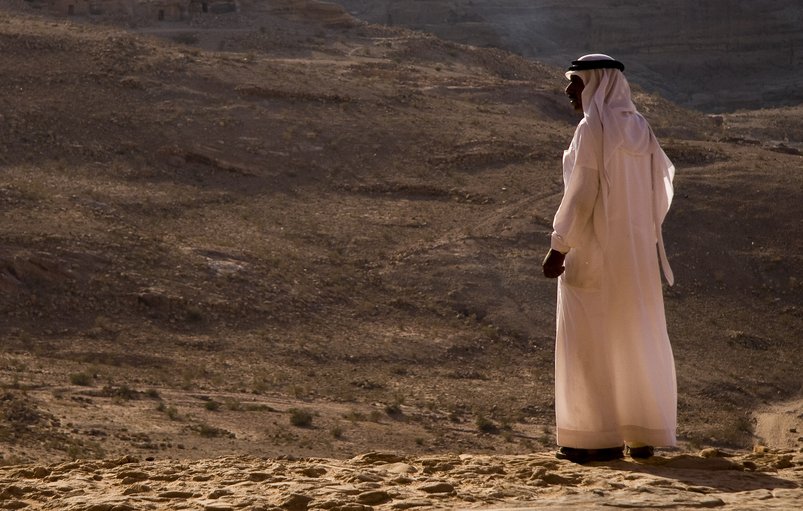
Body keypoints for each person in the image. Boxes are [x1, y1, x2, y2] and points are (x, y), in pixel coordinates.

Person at [542, 54, 677, 463]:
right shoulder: (639, 129)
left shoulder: (592, 130)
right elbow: (660, 191)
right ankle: (640, 434)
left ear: (597, 85)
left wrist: (559, 246)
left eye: (576, 83)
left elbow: (581, 194)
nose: (569, 91)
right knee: (633, 338)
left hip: (594, 255)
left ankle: (593, 438)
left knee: (591, 344)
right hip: (634, 260)